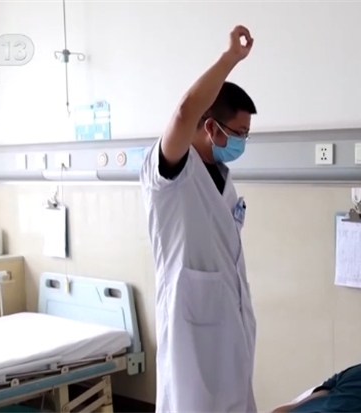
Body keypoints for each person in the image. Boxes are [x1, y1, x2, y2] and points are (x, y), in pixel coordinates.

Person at [140, 25, 259, 412]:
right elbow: (184, 111)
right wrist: (230, 58)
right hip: (190, 336)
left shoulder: (222, 177)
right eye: (239, 133)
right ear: (210, 126)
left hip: (229, 333)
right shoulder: (171, 170)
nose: (242, 142)